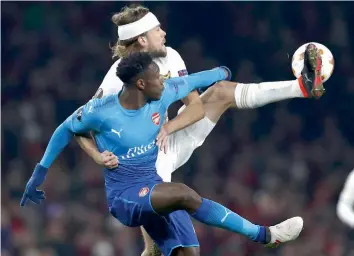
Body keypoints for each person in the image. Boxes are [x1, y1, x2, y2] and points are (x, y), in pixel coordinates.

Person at [75, 5, 324, 255]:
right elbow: (80, 125)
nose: (163, 32)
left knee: (221, 91)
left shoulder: (169, 57)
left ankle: (301, 87)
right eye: (157, 29)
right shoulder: (115, 80)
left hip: (170, 138)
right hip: (143, 161)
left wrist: (169, 126)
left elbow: (195, 108)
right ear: (142, 39)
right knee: (162, 249)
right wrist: (100, 155)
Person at [21, 52, 304, 256]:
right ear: (140, 84)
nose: (163, 81)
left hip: (153, 186)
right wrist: (40, 173)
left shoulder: (163, 92)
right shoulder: (102, 110)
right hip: (125, 196)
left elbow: (195, 80)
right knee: (183, 194)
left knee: (189, 253)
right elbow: (65, 129)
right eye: (156, 77)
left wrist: (222, 73)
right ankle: (265, 235)